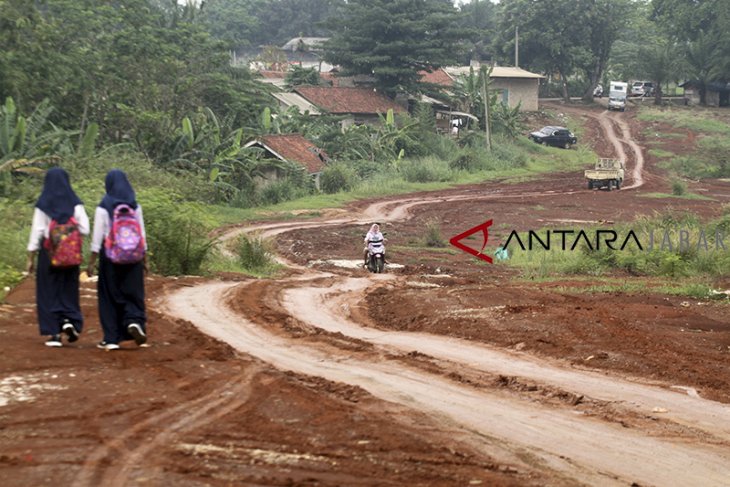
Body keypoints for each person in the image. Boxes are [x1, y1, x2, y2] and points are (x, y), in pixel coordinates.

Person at [26, 167, 90, 347]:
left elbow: (37, 232)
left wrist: (30, 257)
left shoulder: (43, 203)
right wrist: (68, 237)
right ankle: (69, 321)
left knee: (48, 291)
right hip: (70, 255)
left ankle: (54, 333)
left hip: (49, 254)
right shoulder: (75, 203)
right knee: (68, 289)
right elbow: (85, 228)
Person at [86, 170, 148, 351]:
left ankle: (111, 338)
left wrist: (91, 262)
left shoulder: (104, 206)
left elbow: (97, 238)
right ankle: (134, 320)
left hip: (111, 256)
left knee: (109, 296)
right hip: (134, 256)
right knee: (133, 292)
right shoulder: (135, 205)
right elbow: (142, 234)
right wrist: (145, 260)